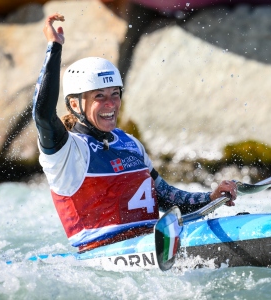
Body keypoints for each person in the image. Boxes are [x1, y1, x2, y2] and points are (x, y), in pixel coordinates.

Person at [32, 13, 238, 252]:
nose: (111, 104)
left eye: (115, 94)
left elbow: (165, 196)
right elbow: (43, 116)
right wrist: (54, 47)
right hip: (104, 259)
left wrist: (210, 198)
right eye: (100, 96)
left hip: (155, 245)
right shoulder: (66, 152)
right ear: (76, 104)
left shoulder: (129, 143)